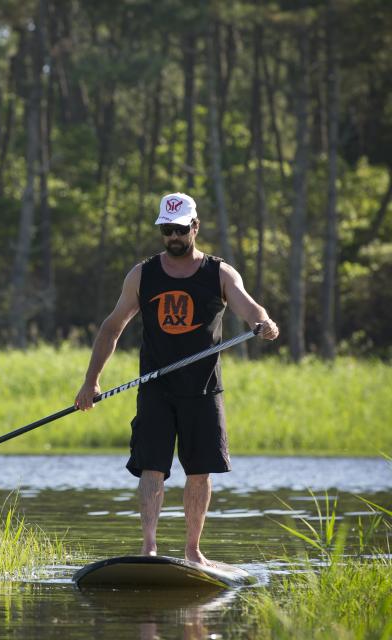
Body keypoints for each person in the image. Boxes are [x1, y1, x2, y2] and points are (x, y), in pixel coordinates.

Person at [75, 192, 279, 566]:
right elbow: (111, 329)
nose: (173, 237)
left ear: (195, 227)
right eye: (167, 230)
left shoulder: (218, 273)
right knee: (152, 467)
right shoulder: (143, 274)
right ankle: (149, 547)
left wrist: (262, 323)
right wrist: (91, 382)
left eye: (180, 230)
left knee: (199, 472)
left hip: (202, 389)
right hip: (156, 387)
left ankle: (192, 550)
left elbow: (250, 307)